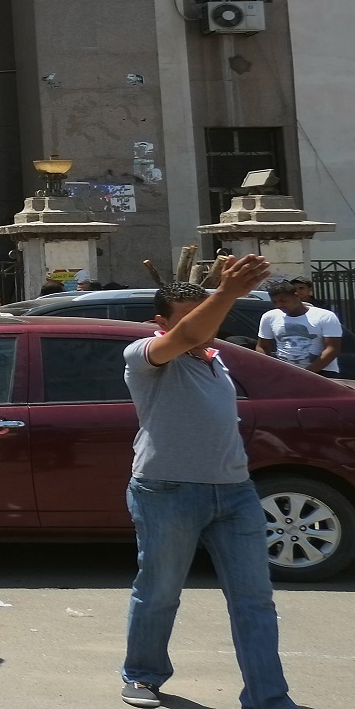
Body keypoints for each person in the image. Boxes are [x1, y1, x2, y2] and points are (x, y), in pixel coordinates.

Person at [119, 258, 299, 709]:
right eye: (190, 316)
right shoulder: (144, 354)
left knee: (254, 599)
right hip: (166, 490)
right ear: (161, 323)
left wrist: (222, 297)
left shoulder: (218, 361)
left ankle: (268, 697)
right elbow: (186, 336)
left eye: (208, 314)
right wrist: (226, 293)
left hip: (235, 492)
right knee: (160, 592)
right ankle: (142, 676)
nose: (204, 325)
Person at [256, 280, 342, 375]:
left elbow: (332, 349)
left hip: (322, 373)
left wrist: (305, 374)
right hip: (284, 373)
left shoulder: (325, 316)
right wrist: (270, 369)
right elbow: (262, 347)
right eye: (274, 302)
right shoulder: (269, 317)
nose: (279, 305)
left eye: (283, 301)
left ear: (296, 296)